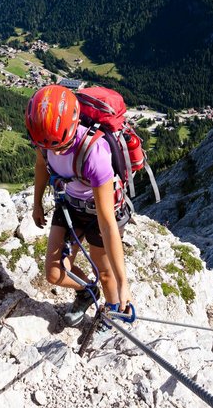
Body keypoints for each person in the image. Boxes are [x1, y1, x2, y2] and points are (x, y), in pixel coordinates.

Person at [25, 84, 133, 326]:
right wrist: (37, 203)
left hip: (98, 214)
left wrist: (123, 282)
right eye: (48, 147)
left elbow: (107, 223)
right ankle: (87, 292)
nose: (54, 152)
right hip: (69, 206)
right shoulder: (47, 137)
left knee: (105, 274)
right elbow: (42, 165)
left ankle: (113, 311)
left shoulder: (95, 153)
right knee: (54, 274)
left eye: (60, 147)